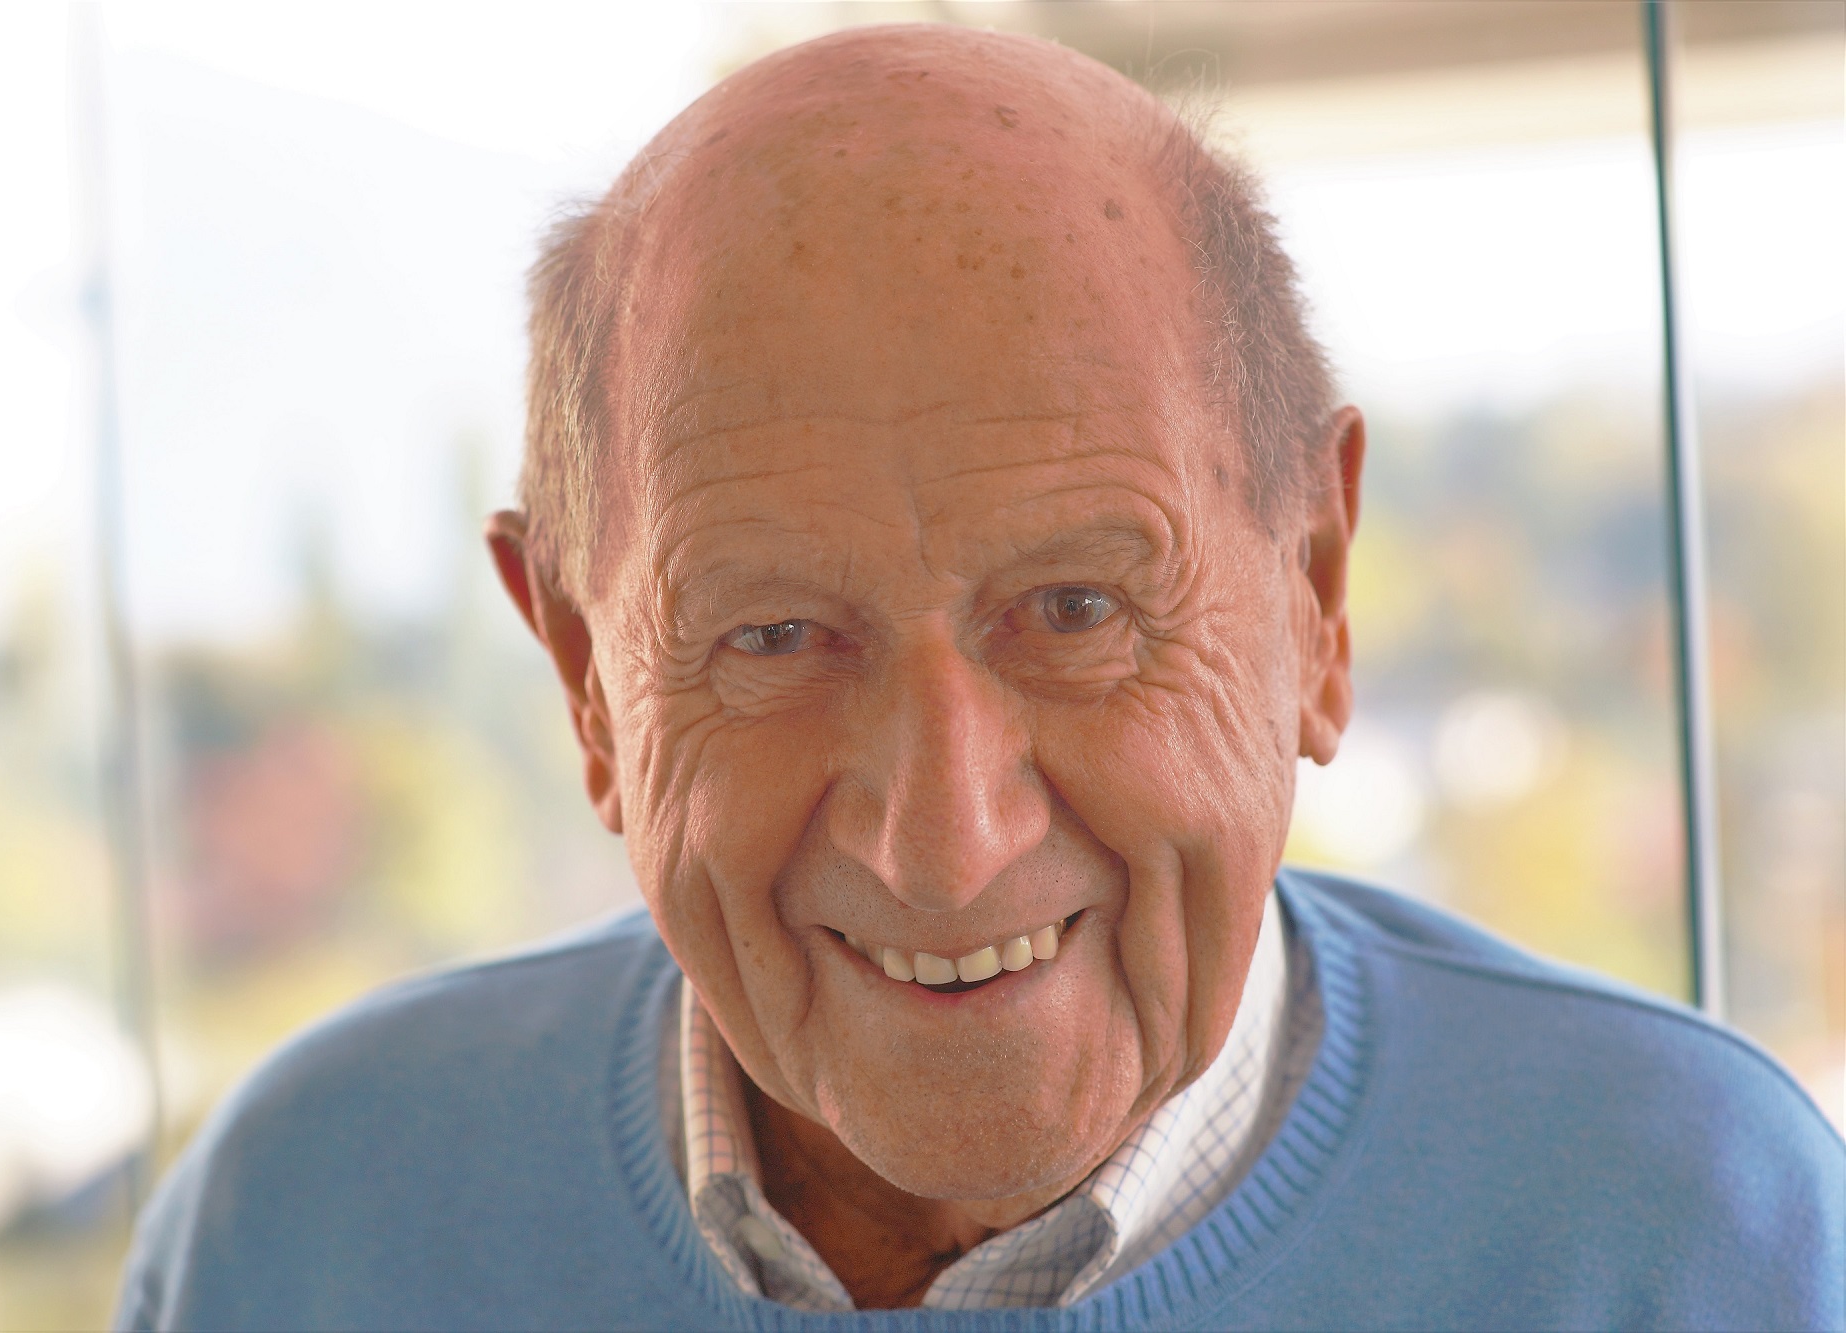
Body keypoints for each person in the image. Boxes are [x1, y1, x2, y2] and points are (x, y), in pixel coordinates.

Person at [116, 24, 1843, 1331]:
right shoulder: (299, 1224)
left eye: (1076, 608)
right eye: (774, 636)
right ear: (584, 674)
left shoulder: (1703, 1236)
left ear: (1316, 596)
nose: (945, 843)